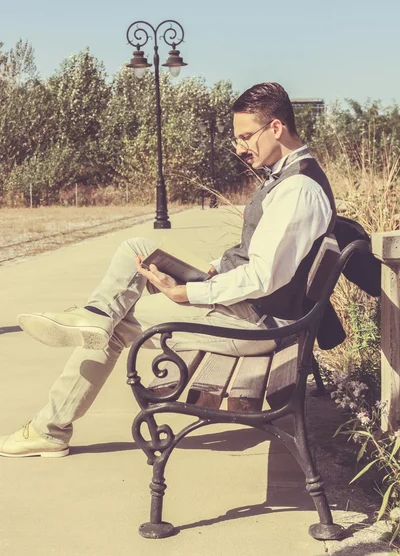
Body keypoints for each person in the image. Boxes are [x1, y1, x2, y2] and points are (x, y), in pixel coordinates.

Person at [0, 82, 336, 458]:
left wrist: (187, 293)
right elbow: (259, 258)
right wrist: (210, 270)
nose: (241, 148)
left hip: (257, 327)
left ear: (275, 128)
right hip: (250, 311)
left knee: (115, 328)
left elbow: (261, 277)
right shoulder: (292, 178)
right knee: (136, 249)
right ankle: (94, 314)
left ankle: (50, 427)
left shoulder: (298, 190)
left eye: (245, 137)